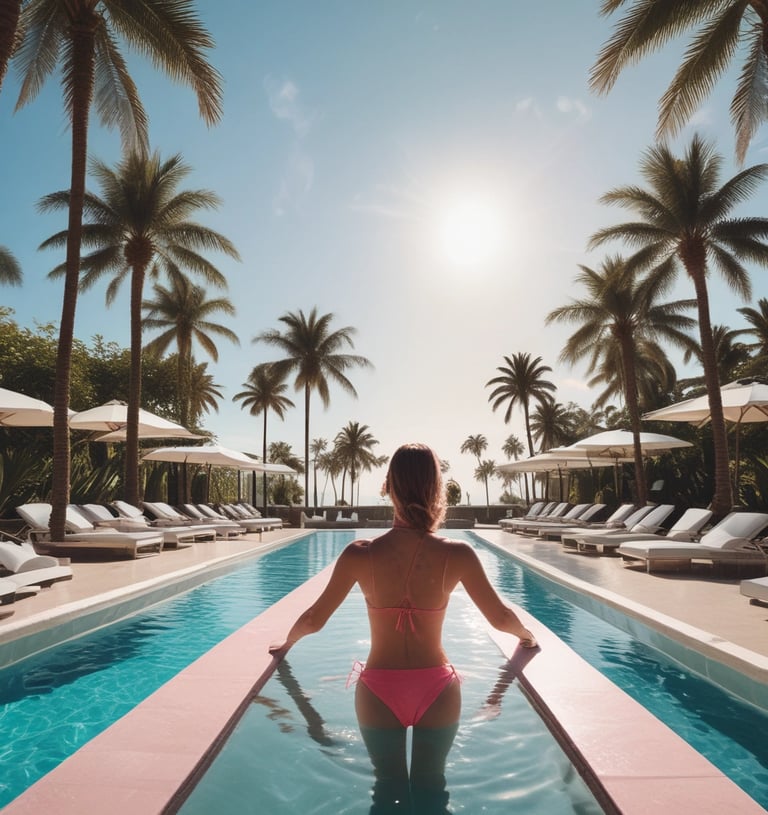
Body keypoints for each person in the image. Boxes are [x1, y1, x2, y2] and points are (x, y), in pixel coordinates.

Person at [269, 443, 536, 813]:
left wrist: (286, 643)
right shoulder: (457, 554)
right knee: (432, 791)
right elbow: (500, 618)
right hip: (438, 690)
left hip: (379, 689)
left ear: (388, 487)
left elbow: (314, 619)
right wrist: (526, 636)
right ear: (436, 490)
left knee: (388, 792)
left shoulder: (360, 554)